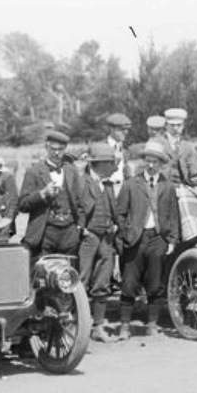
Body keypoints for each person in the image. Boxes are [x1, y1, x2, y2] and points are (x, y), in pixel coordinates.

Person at [115, 141, 180, 339]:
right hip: (135, 239)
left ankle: (152, 324)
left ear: (161, 164)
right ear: (144, 161)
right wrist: (126, 234)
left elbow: (173, 215)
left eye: (155, 162)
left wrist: (171, 240)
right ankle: (125, 326)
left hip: (158, 238)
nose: (151, 165)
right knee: (129, 282)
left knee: (155, 282)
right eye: (148, 161)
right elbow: (120, 213)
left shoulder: (167, 186)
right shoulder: (131, 184)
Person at [77, 143, 123, 343]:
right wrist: (82, 229)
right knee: (81, 281)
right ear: (100, 164)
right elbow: (77, 207)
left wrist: (115, 225)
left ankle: (98, 326)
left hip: (106, 239)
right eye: (111, 163)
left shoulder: (109, 185)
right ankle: (77, 327)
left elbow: (113, 210)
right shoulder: (82, 182)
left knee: (102, 282)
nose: (114, 167)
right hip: (88, 239)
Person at [18, 131, 82, 259]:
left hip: (69, 232)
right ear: (46, 148)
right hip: (45, 232)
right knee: (43, 268)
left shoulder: (72, 171)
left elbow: (79, 202)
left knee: (68, 268)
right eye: (53, 149)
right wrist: (42, 194)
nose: (56, 153)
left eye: (60, 149)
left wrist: (80, 226)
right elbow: (22, 205)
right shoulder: (34, 172)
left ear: (65, 149)